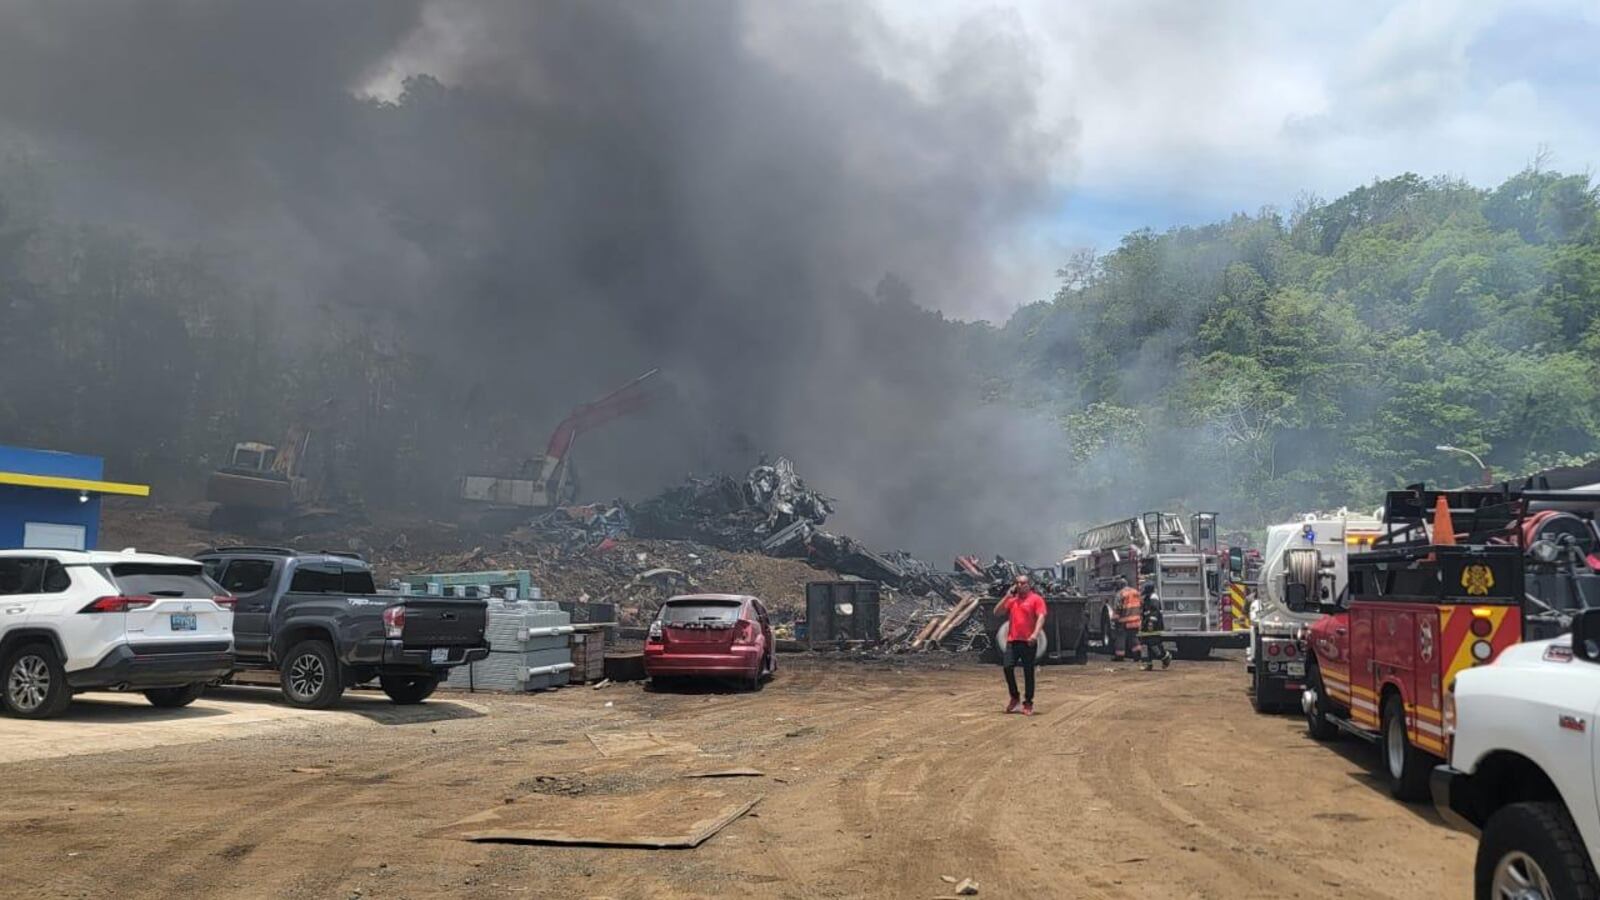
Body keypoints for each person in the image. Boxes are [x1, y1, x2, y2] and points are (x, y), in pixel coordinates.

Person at [995, 574, 1047, 715]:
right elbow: (997, 612)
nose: (1019, 585)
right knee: (1007, 667)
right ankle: (1014, 696)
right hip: (1012, 641)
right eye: (1017, 583)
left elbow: (1041, 617)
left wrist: (1035, 634)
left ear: (1028, 584)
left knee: (1028, 672)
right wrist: (1007, 596)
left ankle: (1028, 702)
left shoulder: (1036, 599)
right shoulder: (1013, 600)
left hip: (1028, 641)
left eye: (1023, 583)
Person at [1138, 583, 1172, 670]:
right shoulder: (1147, 597)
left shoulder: (1153, 598)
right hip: (1146, 625)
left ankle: (1165, 657)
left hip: (1153, 626)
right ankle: (1148, 664)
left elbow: (1154, 611)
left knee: (1154, 644)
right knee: (1145, 644)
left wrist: (1151, 622)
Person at [1114, 577, 1142, 662]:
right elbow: (1141, 604)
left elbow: (1118, 608)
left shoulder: (1120, 594)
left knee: (1120, 638)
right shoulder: (1135, 592)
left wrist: (1115, 618)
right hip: (1135, 620)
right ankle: (1137, 655)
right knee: (1133, 637)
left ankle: (1119, 656)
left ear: (1120, 585)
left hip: (1124, 621)